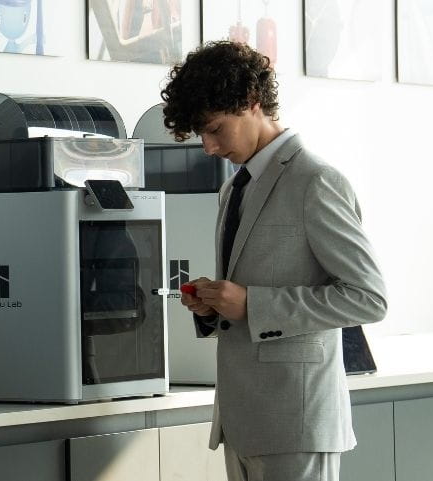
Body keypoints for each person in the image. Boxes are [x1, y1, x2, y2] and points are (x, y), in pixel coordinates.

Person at [160, 41, 387, 481]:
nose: (207, 147)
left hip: (296, 422)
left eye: (214, 129)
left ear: (251, 102)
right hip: (244, 422)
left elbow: (368, 298)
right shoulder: (233, 189)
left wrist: (253, 305)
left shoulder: (316, 181)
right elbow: (248, 293)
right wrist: (215, 306)